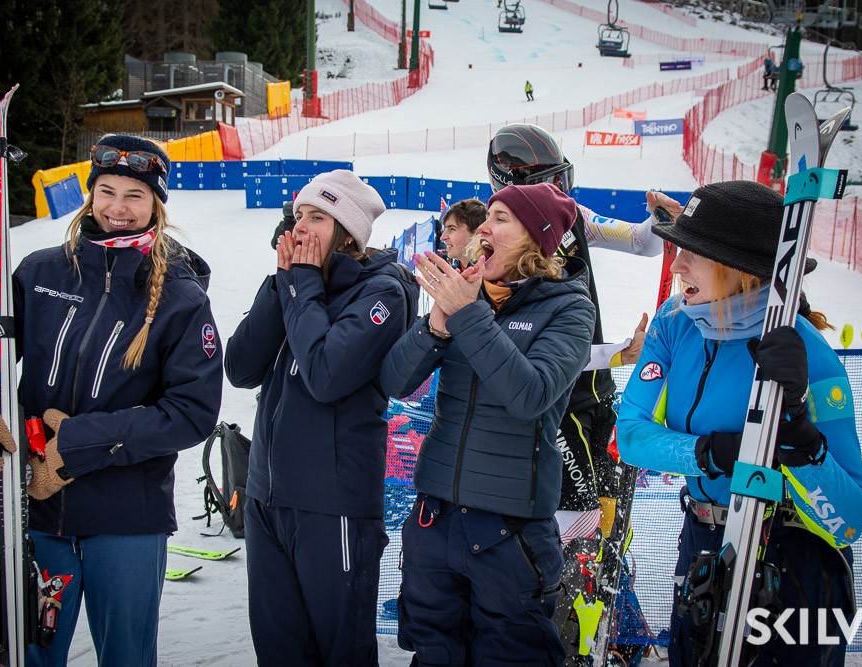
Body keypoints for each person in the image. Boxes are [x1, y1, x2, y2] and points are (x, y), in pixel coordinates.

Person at [0, 134, 224, 666]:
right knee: (32, 654)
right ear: (91, 193)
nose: (117, 207)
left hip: (127, 519)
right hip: (35, 512)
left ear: (156, 204)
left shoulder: (180, 297)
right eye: (106, 191)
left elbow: (191, 412)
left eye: (134, 195)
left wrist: (75, 444)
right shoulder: (40, 273)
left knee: (126, 656)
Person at [617, 180, 862, 665]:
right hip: (703, 545)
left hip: (792, 560)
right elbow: (630, 436)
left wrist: (802, 444)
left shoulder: (807, 354)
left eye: (693, 253)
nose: (676, 266)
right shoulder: (674, 323)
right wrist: (711, 453)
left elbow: (851, 519)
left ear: (741, 270)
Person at [381, 182, 595, 665]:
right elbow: (393, 381)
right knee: (434, 654)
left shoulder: (570, 307)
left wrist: (468, 314)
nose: (484, 229)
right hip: (434, 521)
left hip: (509, 532)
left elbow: (530, 395)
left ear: (536, 237)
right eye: (487, 217)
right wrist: (435, 327)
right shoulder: (466, 295)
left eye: (501, 219)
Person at [225, 169, 420, 666]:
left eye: (318, 217)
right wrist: (282, 283)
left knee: (340, 653)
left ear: (348, 234)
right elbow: (240, 368)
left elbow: (326, 374)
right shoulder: (296, 286)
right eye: (299, 216)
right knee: (280, 652)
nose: (302, 227)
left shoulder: (382, 293)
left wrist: (304, 286)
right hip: (267, 498)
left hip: (333, 508)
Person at [488, 122, 666, 541]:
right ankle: (563, 573)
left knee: (610, 512)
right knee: (579, 519)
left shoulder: (573, 218)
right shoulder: (503, 248)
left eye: (562, 181)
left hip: (596, 388)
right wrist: (617, 353)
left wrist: (660, 219)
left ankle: (598, 569)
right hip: (558, 400)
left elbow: (643, 242)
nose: (560, 195)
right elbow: (532, 349)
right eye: (549, 184)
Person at [439, 197, 487, 268]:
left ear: (477, 233)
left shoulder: (492, 272)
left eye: (452, 229)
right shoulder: (456, 269)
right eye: (446, 229)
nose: (442, 237)